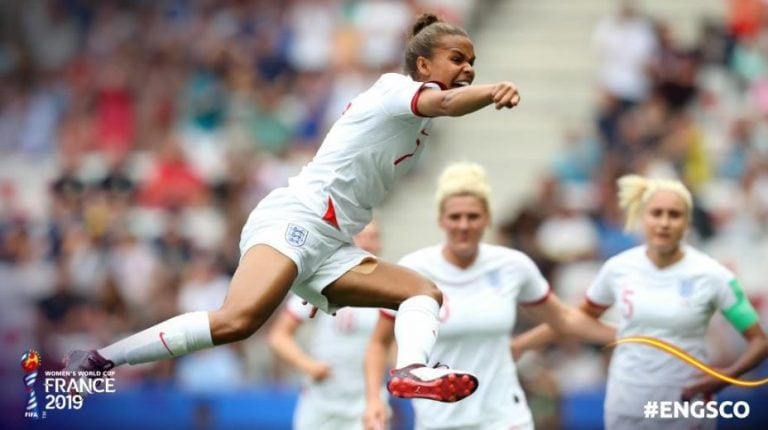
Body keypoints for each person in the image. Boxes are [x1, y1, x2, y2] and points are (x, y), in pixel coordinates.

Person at [63, 13, 521, 403]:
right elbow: (444, 102)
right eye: (458, 60)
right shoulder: (395, 90)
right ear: (423, 63)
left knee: (424, 293)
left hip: (333, 242)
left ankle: (411, 372)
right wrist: (493, 89)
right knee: (238, 321)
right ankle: (100, 359)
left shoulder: (415, 118)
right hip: (296, 218)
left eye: (473, 64)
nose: (468, 70)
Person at [363, 162, 616, 430]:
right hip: (439, 421)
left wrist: (628, 333)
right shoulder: (414, 269)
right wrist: (373, 401)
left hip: (504, 417)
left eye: (473, 217)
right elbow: (379, 343)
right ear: (441, 219)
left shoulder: (512, 265)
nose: (464, 225)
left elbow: (564, 319)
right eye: (455, 217)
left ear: (487, 219)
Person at [513, 174, 768, 430]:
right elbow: (573, 319)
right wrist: (522, 343)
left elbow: (759, 341)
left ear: (687, 222)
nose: (665, 222)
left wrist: (725, 377)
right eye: (656, 213)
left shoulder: (713, 275)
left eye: (674, 214)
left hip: (685, 402)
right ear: (642, 219)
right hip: (627, 400)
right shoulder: (618, 268)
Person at [268, 222, 389, 430]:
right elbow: (279, 336)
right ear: (348, 241)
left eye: (374, 237)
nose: (368, 244)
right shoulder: (324, 282)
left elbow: (389, 344)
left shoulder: (390, 291)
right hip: (322, 400)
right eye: (362, 236)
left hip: (367, 401)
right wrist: (307, 365)